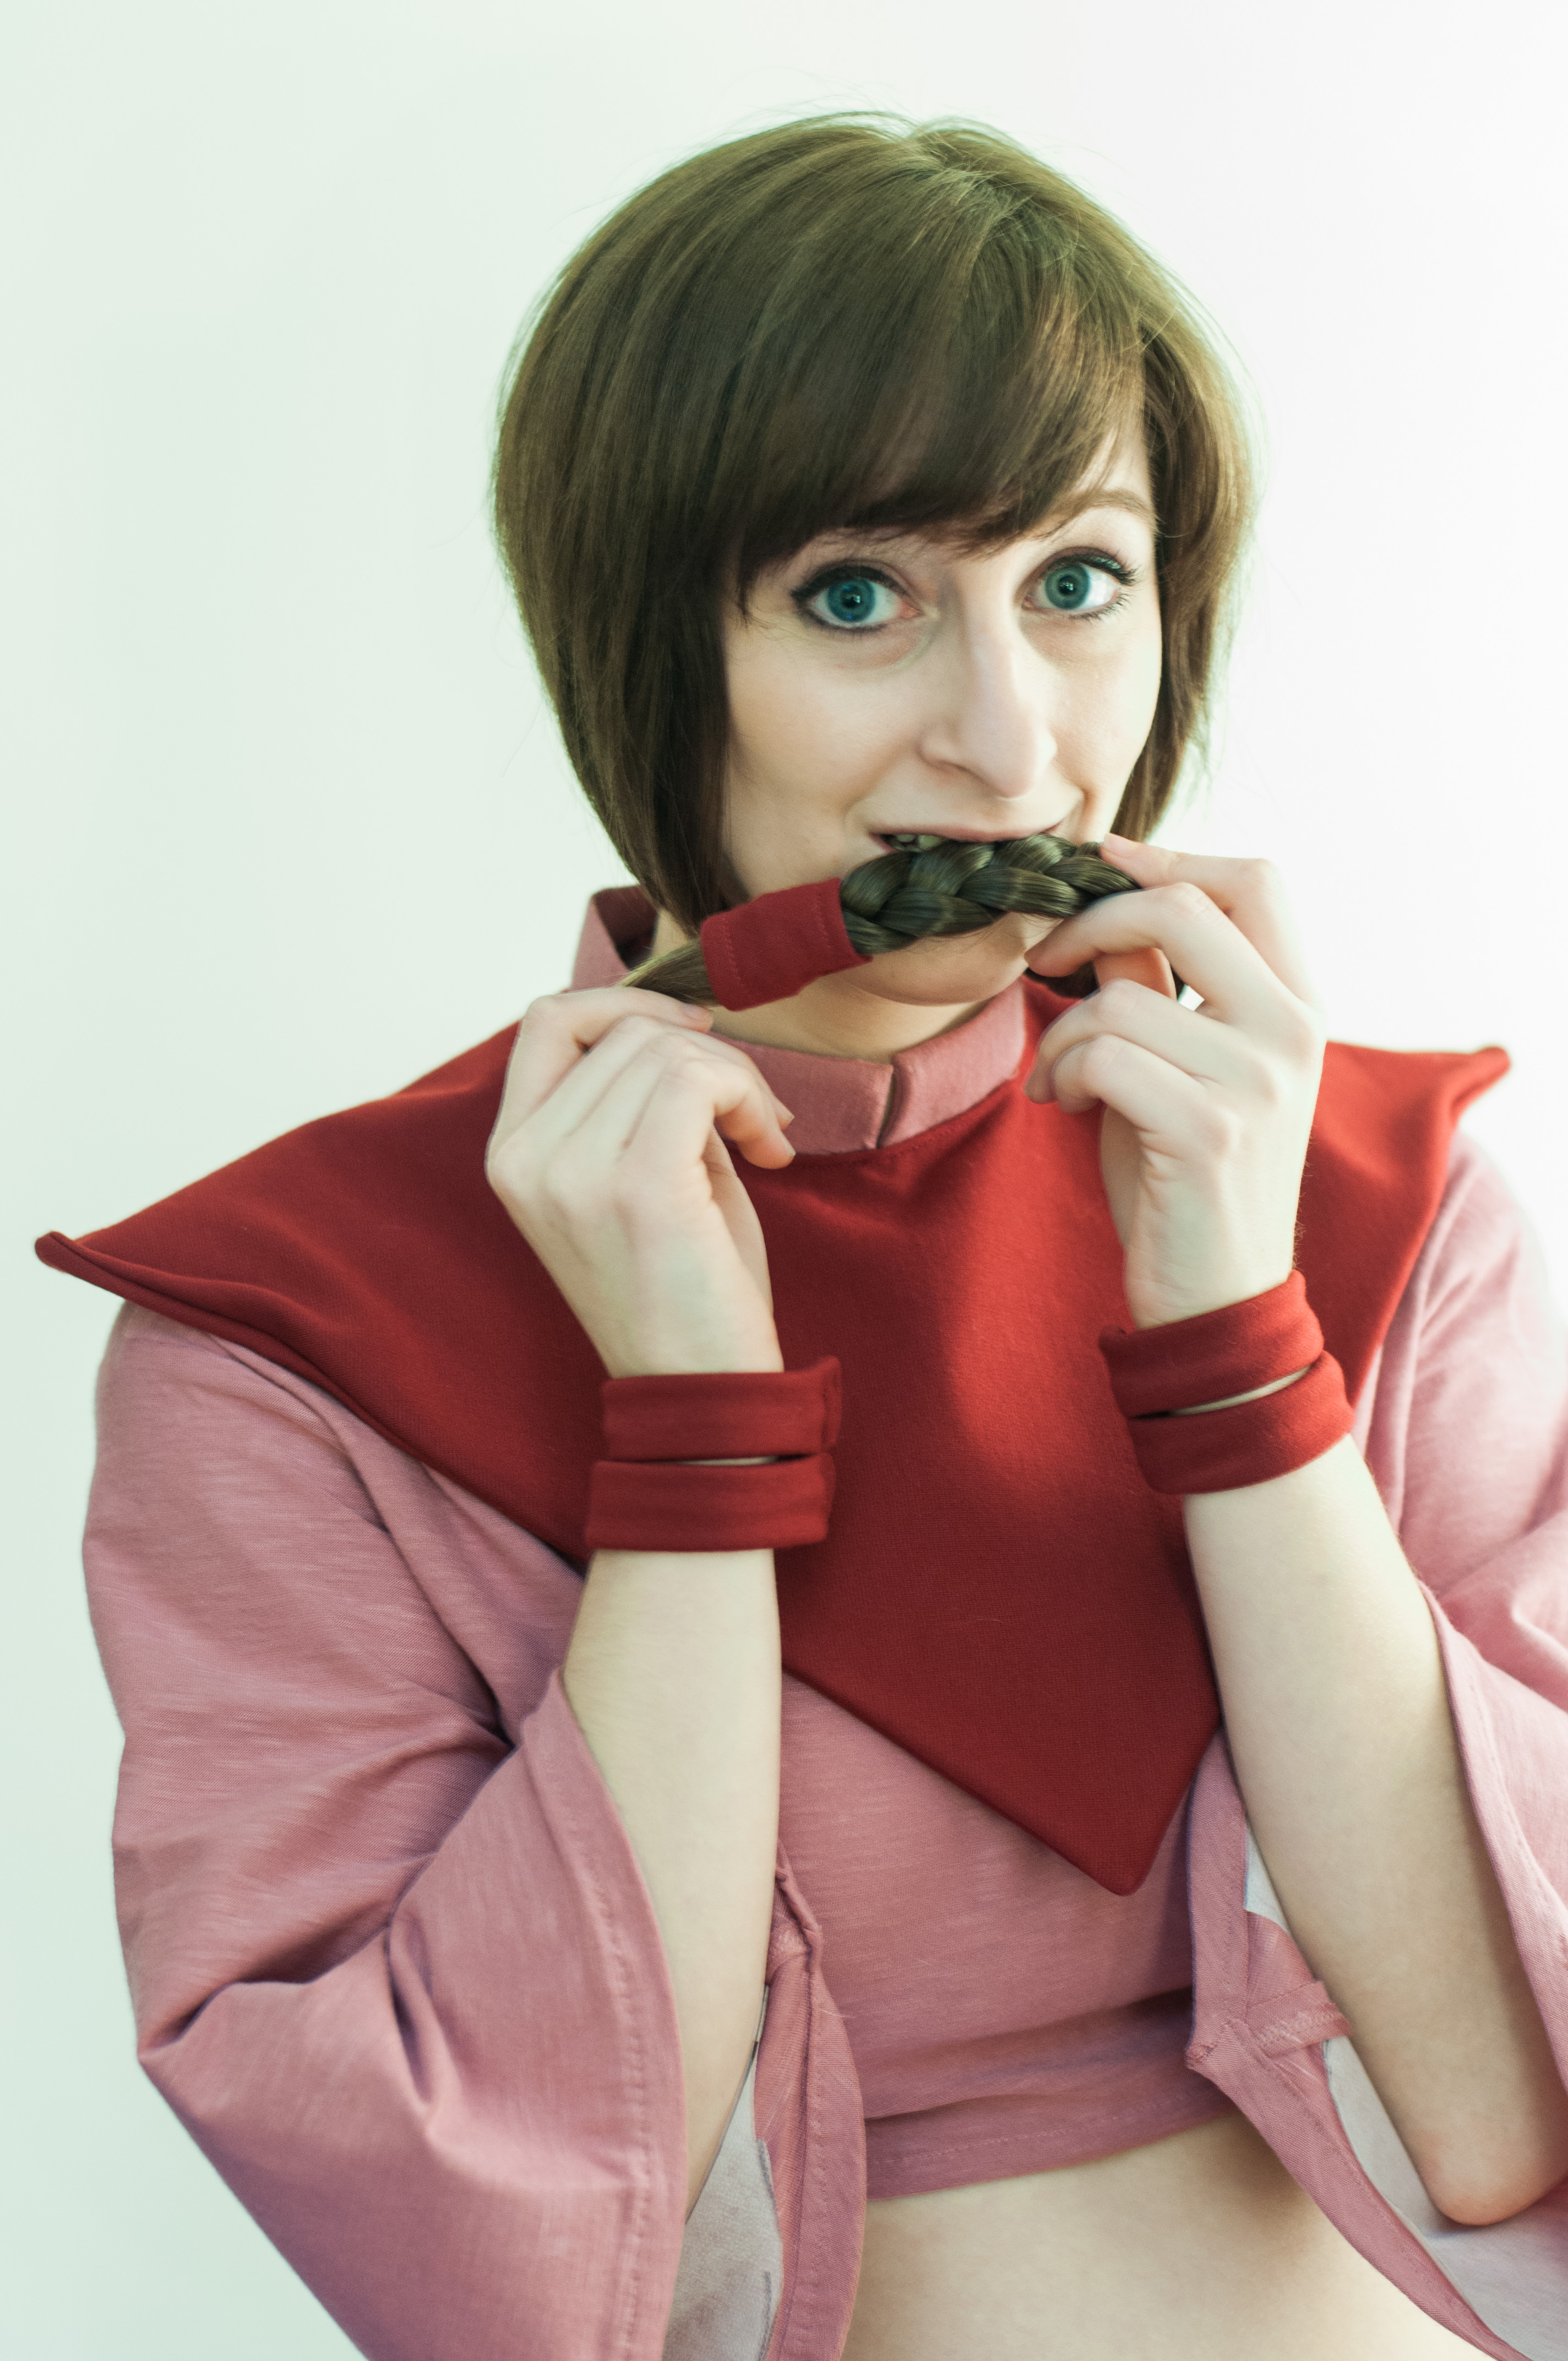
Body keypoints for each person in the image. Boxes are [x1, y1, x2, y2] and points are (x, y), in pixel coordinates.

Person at [39, 116, 1568, 2361]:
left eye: (1079, 581)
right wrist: (688, 1436)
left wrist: (1247, 1350)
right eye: (857, 598)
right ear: (644, 636)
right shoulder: (290, 1339)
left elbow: (1505, 2112)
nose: (1013, 749)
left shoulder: (1383, 1199)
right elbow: (502, 2260)